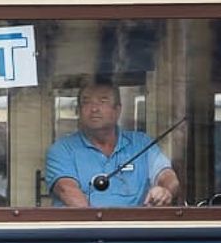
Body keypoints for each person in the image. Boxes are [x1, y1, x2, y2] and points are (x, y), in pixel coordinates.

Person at [45, 78, 180, 208]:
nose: (94, 109)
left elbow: (168, 176)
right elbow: (67, 190)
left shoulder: (142, 143)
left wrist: (164, 191)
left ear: (117, 110)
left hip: (138, 228)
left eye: (103, 101)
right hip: (86, 228)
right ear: (79, 111)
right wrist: (103, 227)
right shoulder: (62, 149)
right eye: (86, 102)